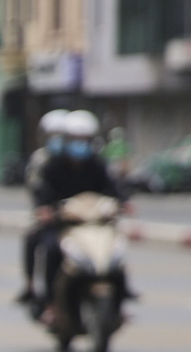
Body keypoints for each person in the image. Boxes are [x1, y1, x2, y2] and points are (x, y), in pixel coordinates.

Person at [25, 109, 122, 312]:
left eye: (84, 139)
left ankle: (122, 297)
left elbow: (114, 189)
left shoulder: (97, 164)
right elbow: (42, 191)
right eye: (74, 139)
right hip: (63, 224)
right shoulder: (52, 165)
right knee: (51, 250)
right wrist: (45, 210)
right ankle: (49, 302)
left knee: (115, 251)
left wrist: (123, 202)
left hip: (93, 223)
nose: (79, 144)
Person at [17, 109, 70, 303]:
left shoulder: (88, 161)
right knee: (37, 240)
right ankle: (34, 286)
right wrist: (45, 208)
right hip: (52, 216)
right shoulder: (42, 161)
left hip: (82, 216)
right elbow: (37, 190)